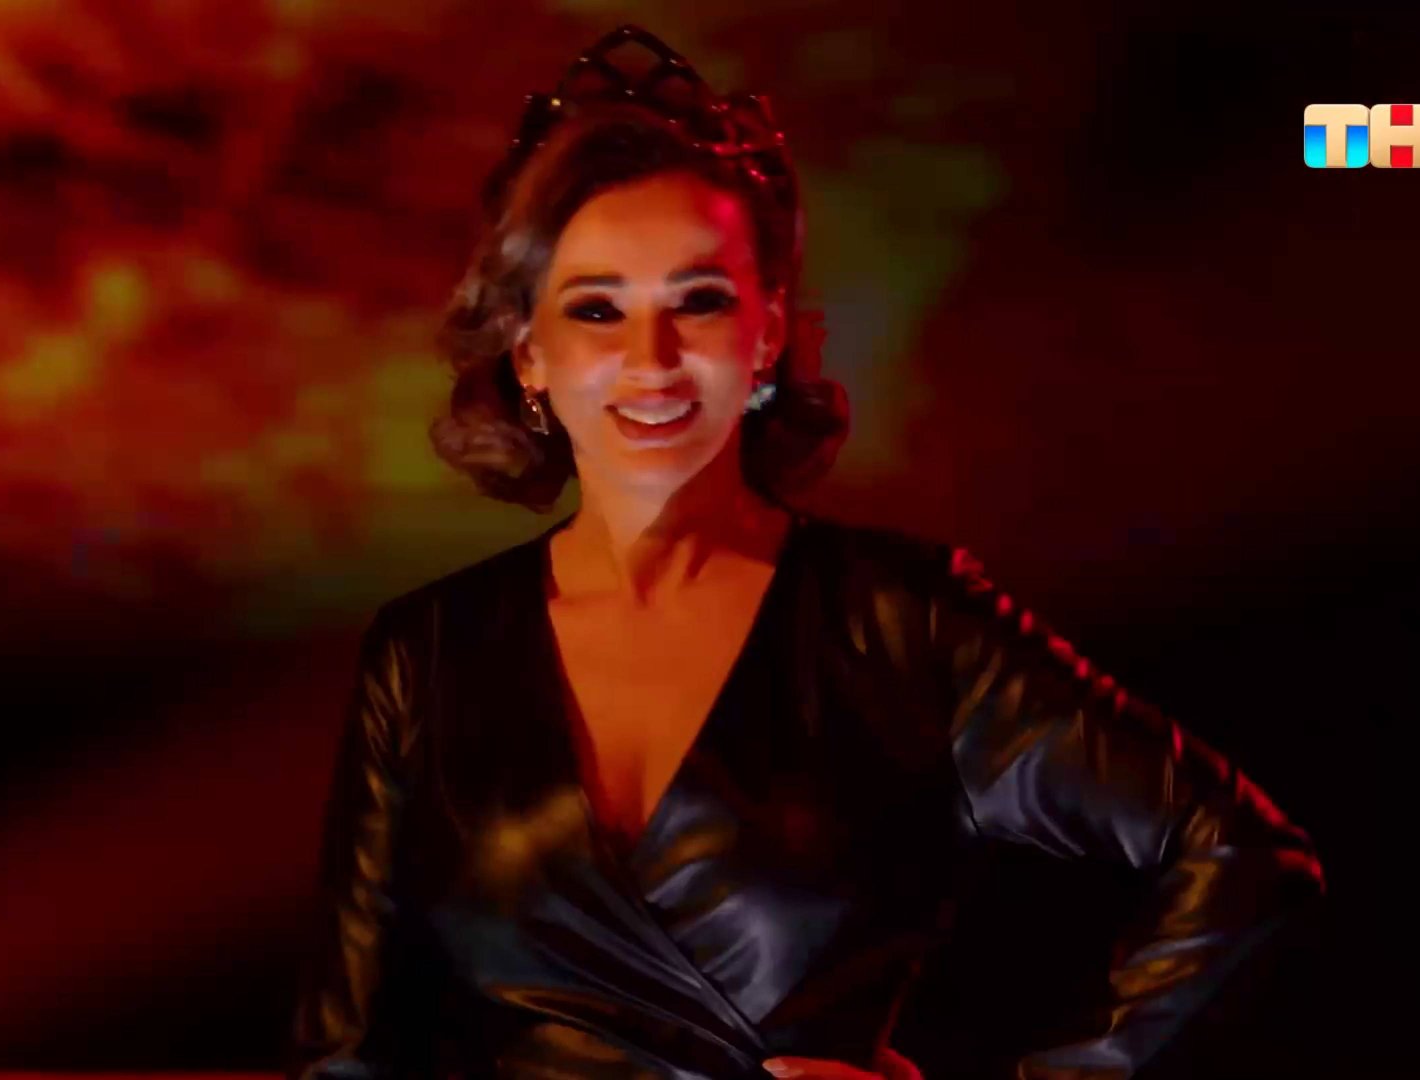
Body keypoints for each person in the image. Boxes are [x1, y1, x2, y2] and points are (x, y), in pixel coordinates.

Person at [291, 25, 1322, 1080]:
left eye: (699, 301)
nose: (651, 360)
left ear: (768, 334)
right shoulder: (425, 654)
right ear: (530, 357)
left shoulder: (902, 624)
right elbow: (343, 1058)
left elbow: (1247, 860)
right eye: (598, 309)